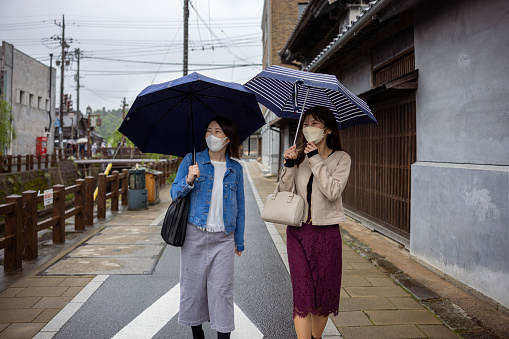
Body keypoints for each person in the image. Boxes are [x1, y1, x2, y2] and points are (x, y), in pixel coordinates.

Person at [170, 116, 245, 339]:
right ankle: (198, 335)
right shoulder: (190, 161)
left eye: (218, 131)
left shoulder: (236, 169)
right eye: (209, 131)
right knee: (193, 288)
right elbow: (174, 193)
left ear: (228, 138)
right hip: (194, 233)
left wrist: (239, 240)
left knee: (222, 290)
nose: (211, 136)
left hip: (223, 237)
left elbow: (240, 206)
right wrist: (189, 180)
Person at [280, 106, 351, 339]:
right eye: (306, 123)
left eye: (316, 123)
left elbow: (333, 191)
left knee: (324, 293)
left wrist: (315, 160)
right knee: (302, 292)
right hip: (298, 232)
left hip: (327, 234)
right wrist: (290, 165)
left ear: (328, 129)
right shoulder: (298, 158)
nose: (309, 128)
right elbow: (283, 192)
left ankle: (315, 337)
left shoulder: (341, 158)